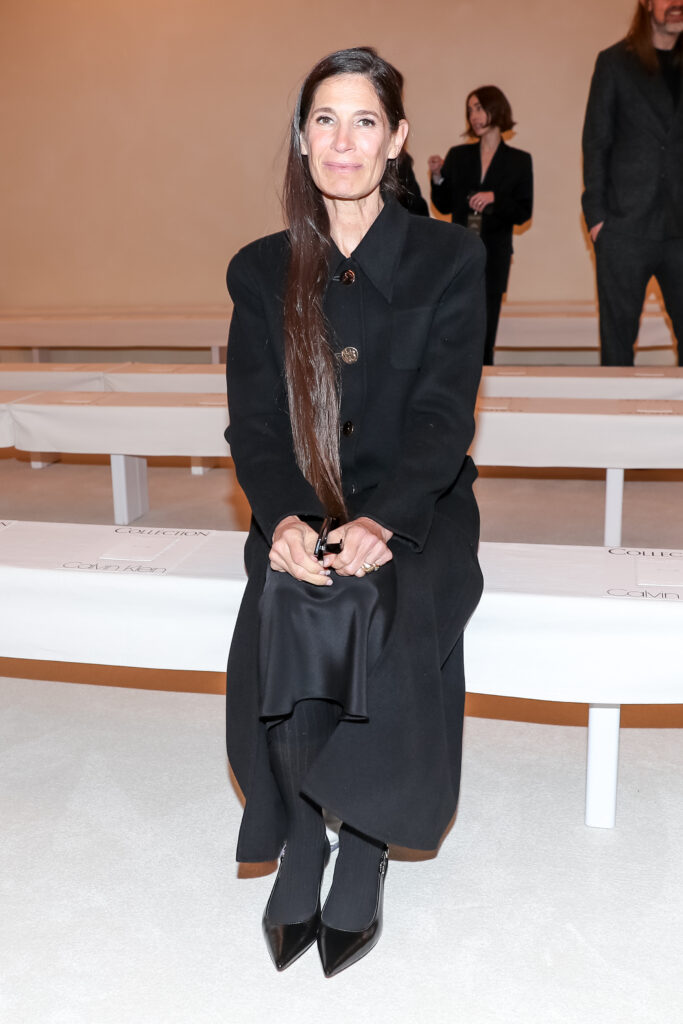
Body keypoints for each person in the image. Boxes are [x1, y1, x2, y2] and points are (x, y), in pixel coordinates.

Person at [225, 46, 485, 978]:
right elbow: (256, 425)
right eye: (324, 121)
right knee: (292, 594)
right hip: (305, 502)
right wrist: (288, 520)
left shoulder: (451, 257)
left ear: (397, 139)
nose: (343, 141)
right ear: (301, 139)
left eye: (364, 121)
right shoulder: (261, 271)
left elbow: (443, 415)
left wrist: (385, 520)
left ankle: (365, 841)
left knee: (385, 600)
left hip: (420, 504)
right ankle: (303, 833)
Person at [582, 0, 683, 366]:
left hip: (681, 228)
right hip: (624, 229)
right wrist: (597, 218)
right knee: (617, 350)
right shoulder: (614, 62)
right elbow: (596, 142)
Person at [428, 86, 533, 365]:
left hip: (494, 257)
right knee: (456, 328)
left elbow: (523, 212)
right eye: (470, 110)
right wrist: (437, 177)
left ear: (496, 109)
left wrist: (495, 198)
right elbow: (444, 205)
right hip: (458, 256)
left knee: (485, 331)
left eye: (479, 108)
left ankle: (485, 380)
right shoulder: (458, 155)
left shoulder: (519, 161)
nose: (474, 116)